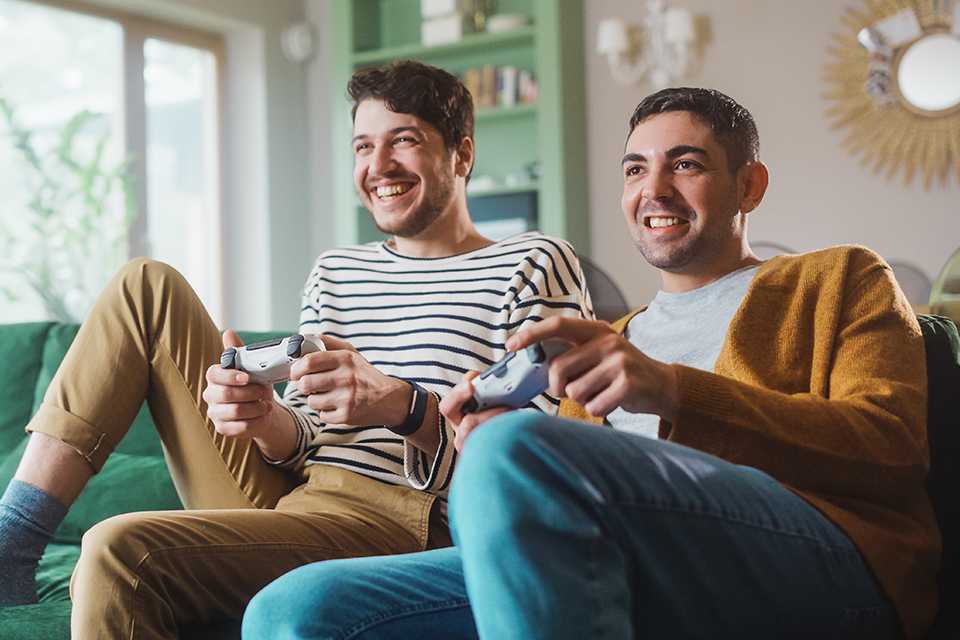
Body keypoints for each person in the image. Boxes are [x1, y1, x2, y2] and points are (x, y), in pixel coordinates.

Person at [242, 87, 941, 640]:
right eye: (636, 169)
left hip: (818, 561)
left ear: (749, 185)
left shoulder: (836, 279)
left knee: (519, 446)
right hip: (625, 563)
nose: (654, 190)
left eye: (686, 164)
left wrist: (670, 390)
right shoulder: (612, 336)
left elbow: (891, 447)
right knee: (297, 609)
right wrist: (477, 451)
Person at [0, 60, 592, 638]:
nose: (378, 165)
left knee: (114, 549)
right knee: (143, 285)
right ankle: (13, 543)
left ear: (462, 153)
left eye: (403, 140)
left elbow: (534, 462)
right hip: (299, 497)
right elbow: (303, 440)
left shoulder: (533, 261)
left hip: (408, 519)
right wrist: (263, 419)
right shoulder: (335, 270)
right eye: (362, 146)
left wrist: (403, 407)